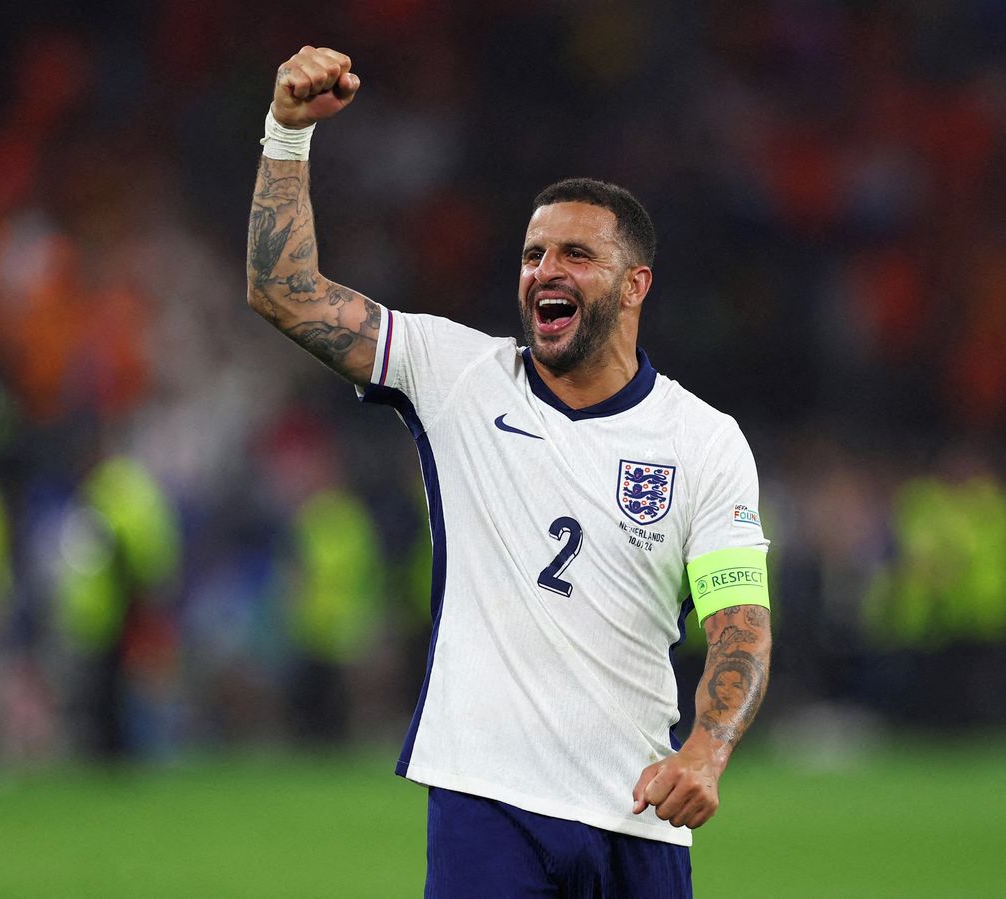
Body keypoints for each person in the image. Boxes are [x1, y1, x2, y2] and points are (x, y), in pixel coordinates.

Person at [247, 45, 773, 898]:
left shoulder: (703, 441)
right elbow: (285, 290)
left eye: (575, 255)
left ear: (635, 285)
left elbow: (740, 623)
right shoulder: (455, 374)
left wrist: (706, 753)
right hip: (486, 801)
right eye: (533, 255)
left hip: (636, 810)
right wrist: (287, 133)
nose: (544, 272)